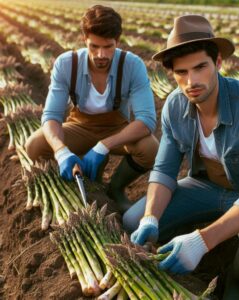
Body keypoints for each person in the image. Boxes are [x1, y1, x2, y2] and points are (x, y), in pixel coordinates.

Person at [123, 14, 239, 299]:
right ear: (172, 74)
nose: (191, 81)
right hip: (206, 188)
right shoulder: (174, 108)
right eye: (181, 73)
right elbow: (164, 171)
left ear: (218, 63)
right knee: (133, 221)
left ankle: (237, 274)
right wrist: (151, 217)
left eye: (200, 67)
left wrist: (202, 241)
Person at [25, 5, 159, 213]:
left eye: (108, 47)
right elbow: (51, 116)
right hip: (80, 126)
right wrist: (61, 151)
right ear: (84, 39)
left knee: (150, 148)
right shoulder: (67, 64)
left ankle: (115, 189)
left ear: (118, 40)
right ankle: (73, 182)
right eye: (94, 46)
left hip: (115, 129)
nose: (101, 55)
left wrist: (103, 146)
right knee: (35, 144)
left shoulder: (133, 65)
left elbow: (147, 121)